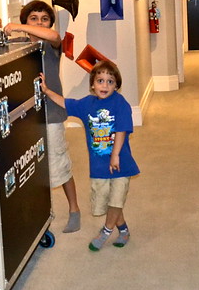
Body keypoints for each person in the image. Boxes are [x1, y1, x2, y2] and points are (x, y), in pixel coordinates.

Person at [0, 0, 81, 233]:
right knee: (29, 165)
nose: (39, 22)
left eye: (44, 18)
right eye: (33, 18)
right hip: (25, 114)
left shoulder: (51, 44)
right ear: (25, 19)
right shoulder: (18, 43)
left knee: (59, 163)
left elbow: (53, 35)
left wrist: (21, 26)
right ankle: (38, 214)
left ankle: (74, 209)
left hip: (51, 112)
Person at [40, 59, 139, 251]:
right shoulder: (87, 104)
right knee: (107, 202)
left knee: (116, 199)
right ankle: (124, 230)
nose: (105, 85)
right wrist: (46, 91)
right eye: (100, 80)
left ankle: (106, 231)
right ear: (92, 84)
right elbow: (65, 102)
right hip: (99, 166)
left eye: (110, 81)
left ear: (116, 85)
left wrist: (116, 155)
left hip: (120, 163)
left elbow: (122, 130)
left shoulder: (120, 104)